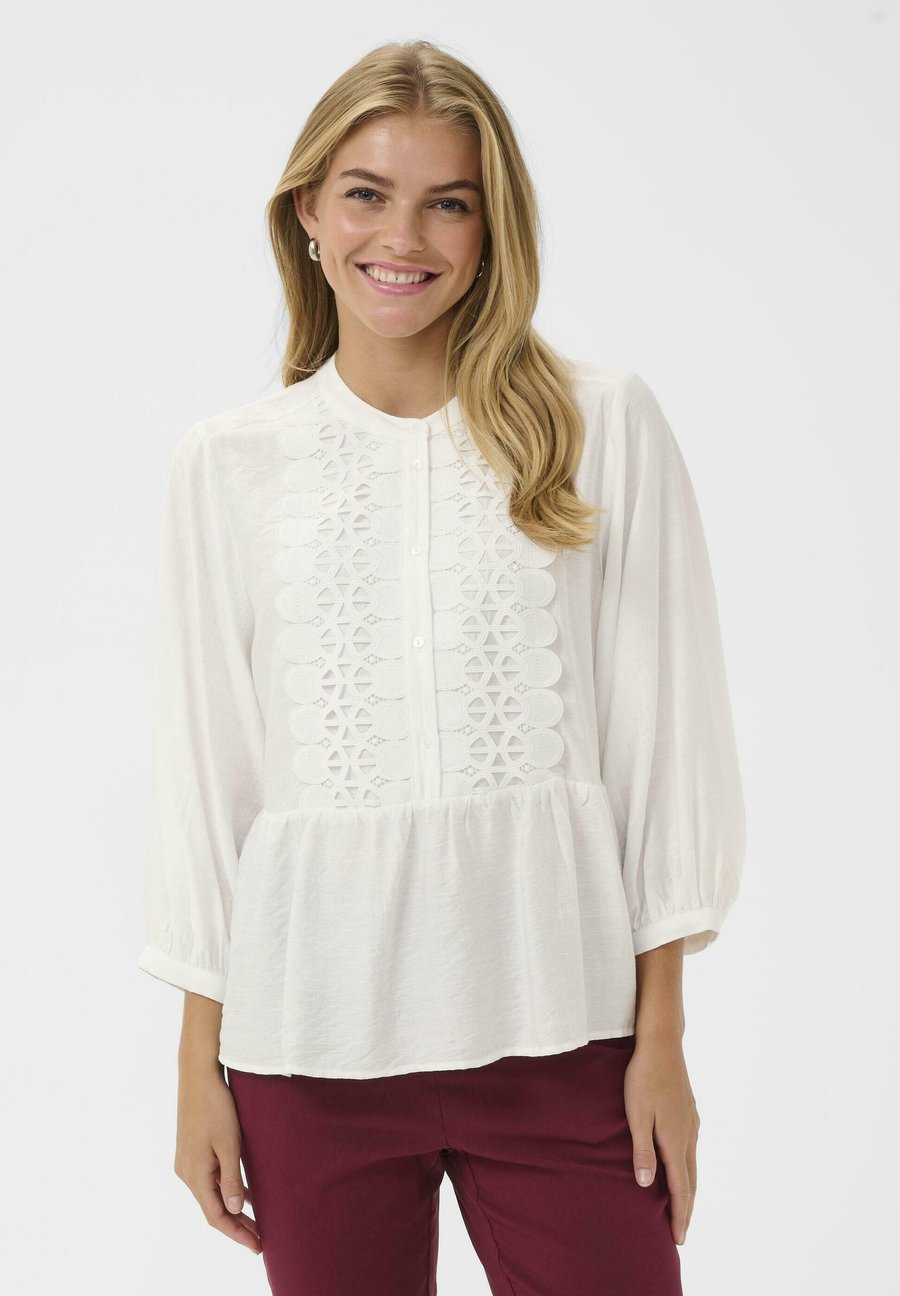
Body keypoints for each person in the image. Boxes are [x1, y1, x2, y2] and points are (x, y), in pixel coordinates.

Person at [137, 38, 746, 1296]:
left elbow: (666, 743)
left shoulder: (598, 425)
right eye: (366, 193)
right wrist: (199, 1066)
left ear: (490, 227)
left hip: (565, 1033)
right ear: (309, 213)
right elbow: (210, 780)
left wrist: (664, 1039)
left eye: (447, 202)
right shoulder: (230, 463)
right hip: (308, 1053)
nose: (401, 236)